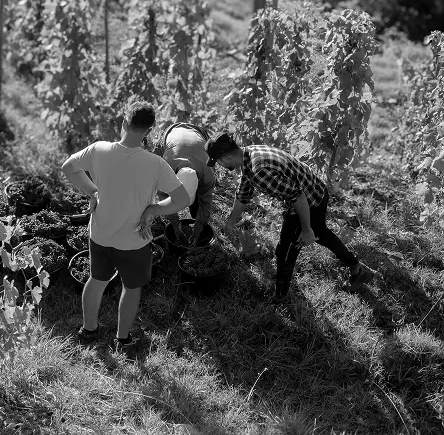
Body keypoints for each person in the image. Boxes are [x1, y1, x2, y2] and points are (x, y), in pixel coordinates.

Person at [61, 102, 192, 351]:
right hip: (134, 240)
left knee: (96, 280)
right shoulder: (155, 164)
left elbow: (68, 168)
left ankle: (89, 329)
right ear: (149, 130)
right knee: (131, 288)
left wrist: (93, 192)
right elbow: (182, 200)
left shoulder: (98, 150)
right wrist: (154, 209)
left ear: (123, 122)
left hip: (99, 234)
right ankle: (122, 340)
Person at [205, 132, 375, 303]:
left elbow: (299, 197)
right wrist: (230, 222)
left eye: (217, 162)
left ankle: (280, 294)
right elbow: (243, 194)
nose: (218, 165)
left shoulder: (259, 171)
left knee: (286, 250)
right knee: (321, 233)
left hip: (308, 200)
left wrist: (306, 230)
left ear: (225, 159)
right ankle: (358, 271)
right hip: (316, 190)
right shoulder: (249, 153)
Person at [153, 122, 215, 243]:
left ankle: (195, 213)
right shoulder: (164, 168)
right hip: (170, 133)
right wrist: (176, 225)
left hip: (199, 134)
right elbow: (163, 196)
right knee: (149, 179)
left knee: (198, 206)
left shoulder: (208, 173)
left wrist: (198, 229)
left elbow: (206, 203)